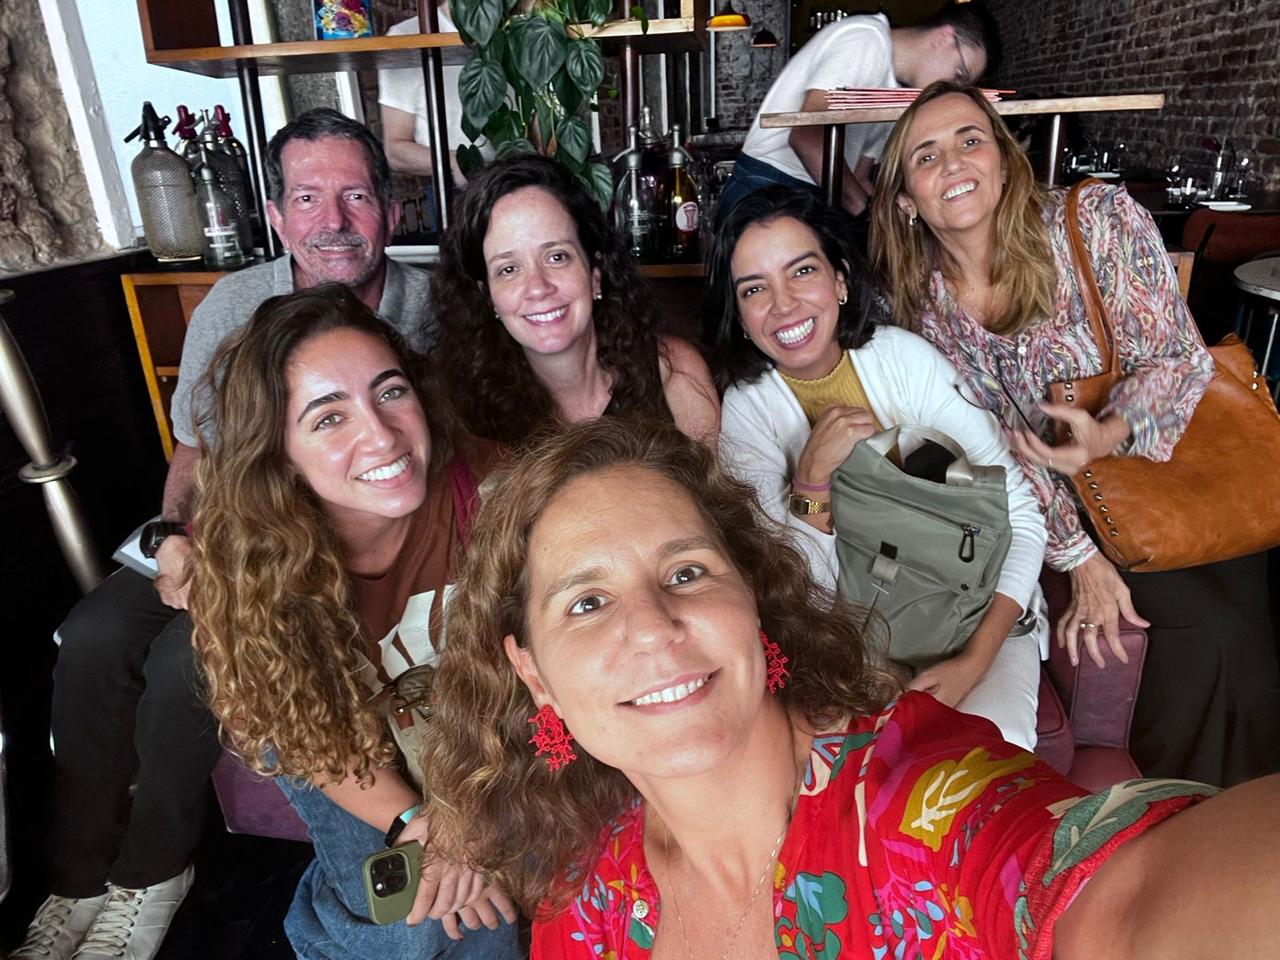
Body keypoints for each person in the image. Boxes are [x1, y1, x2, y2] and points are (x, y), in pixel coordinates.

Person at [420, 416, 1280, 959]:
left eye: (686, 572)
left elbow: (1124, 905)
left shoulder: (917, 804)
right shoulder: (584, 897)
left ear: (752, 600)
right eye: (587, 601)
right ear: (534, 676)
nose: (650, 627)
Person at [12, 109, 431, 960]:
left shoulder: (434, 309)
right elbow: (194, 450)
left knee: (190, 661)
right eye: (307, 198)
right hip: (217, 527)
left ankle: (152, 876)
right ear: (274, 215)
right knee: (93, 635)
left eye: (356, 196)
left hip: (316, 551)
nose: (333, 220)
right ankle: (75, 878)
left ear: (391, 210)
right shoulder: (234, 303)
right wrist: (175, 538)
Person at [868, 82, 1280, 786]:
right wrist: (1077, 557)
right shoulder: (913, 307)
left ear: (1004, 160)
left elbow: (1177, 358)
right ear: (906, 198)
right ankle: (1184, 816)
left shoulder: (1093, 221)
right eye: (926, 156)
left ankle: (1246, 815)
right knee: (1203, 633)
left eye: (971, 140)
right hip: (1066, 509)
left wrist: (1109, 430)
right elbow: (986, 448)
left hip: (1178, 457)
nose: (955, 163)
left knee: (1246, 635)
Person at [191, 285, 519, 960]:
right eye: (328, 417)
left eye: (390, 392)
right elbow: (308, 734)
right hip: (336, 734)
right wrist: (421, 821)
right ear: (279, 452)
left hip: (481, 735)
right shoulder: (253, 559)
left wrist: (472, 818)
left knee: (489, 913)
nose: (381, 435)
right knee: (422, 921)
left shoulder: (495, 493)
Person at [707, 186, 1047, 749]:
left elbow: (1022, 514)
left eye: (802, 271)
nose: (783, 303)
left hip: (980, 617)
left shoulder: (904, 360)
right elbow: (798, 591)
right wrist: (812, 479)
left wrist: (975, 659)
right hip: (854, 642)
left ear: (840, 281)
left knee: (991, 747)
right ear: (739, 315)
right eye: (754, 288)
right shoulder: (749, 412)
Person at [428, 154, 719, 448]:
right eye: (508, 270)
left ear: (595, 274)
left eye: (557, 257)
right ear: (488, 296)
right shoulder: (467, 416)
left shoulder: (673, 372)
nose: (538, 288)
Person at [721, 1, 998, 218]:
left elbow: (861, 176)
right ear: (944, 38)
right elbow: (805, 135)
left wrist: (893, 213)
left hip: (812, 192)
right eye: (959, 75)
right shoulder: (867, 39)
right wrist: (867, 213)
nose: (952, 88)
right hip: (766, 185)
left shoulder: (898, 95)